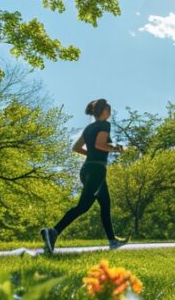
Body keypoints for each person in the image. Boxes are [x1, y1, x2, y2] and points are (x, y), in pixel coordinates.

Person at [40, 98, 126, 255]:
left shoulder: (89, 128)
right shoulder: (104, 125)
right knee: (83, 206)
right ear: (103, 112)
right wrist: (115, 148)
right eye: (109, 110)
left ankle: (112, 240)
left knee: (105, 204)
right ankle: (53, 231)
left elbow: (76, 148)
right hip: (97, 171)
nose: (110, 113)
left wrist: (92, 154)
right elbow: (100, 145)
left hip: (87, 169)